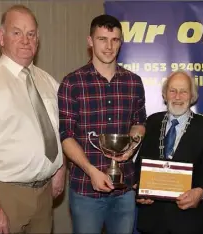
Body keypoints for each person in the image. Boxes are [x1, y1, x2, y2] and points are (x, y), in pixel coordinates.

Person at [58, 14, 146, 234]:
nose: (109, 46)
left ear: (121, 42)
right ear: (90, 41)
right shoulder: (72, 83)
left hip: (124, 189)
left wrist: (132, 146)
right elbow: (66, 136)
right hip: (86, 190)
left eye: (115, 40)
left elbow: (139, 123)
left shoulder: (133, 82)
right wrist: (91, 171)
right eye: (102, 39)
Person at [0, 5, 65, 234]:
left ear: (38, 39)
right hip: (4, 195)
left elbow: (57, 132)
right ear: (1, 37)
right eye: (17, 32)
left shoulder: (49, 82)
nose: (25, 40)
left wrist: (59, 169)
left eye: (31, 34)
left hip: (44, 195)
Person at [134, 70, 203, 234]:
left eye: (184, 91)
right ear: (165, 95)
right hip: (153, 222)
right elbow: (139, 165)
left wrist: (200, 193)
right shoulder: (152, 122)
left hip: (189, 223)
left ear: (192, 96)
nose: (177, 97)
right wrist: (139, 189)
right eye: (173, 91)